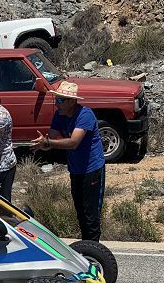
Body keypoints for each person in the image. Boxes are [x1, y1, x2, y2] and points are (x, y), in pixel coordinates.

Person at [29, 81, 106, 241]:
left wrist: (49, 143)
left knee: (90, 213)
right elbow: (54, 139)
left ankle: (94, 249)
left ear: (72, 101)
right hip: (76, 169)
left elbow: (73, 142)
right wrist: (43, 144)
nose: (57, 103)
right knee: (80, 211)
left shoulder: (85, 115)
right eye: (56, 99)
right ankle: (87, 245)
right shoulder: (59, 115)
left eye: (60, 100)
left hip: (91, 169)